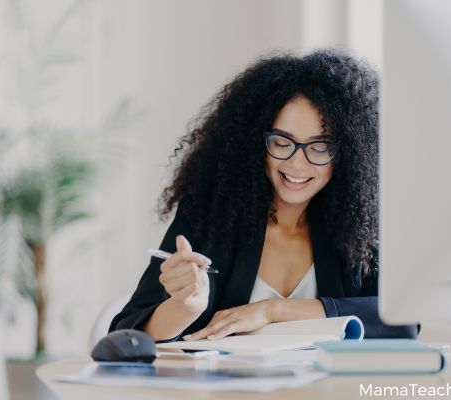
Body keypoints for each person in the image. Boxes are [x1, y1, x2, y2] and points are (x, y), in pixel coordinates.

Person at [109, 49, 418, 341]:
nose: (298, 163)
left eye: (320, 147)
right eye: (282, 142)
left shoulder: (359, 230)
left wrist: (272, 311)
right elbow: (126, 334)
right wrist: (184, 308)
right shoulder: (210, 215)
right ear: (255, 142)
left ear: (348, 155)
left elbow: (403, 321)